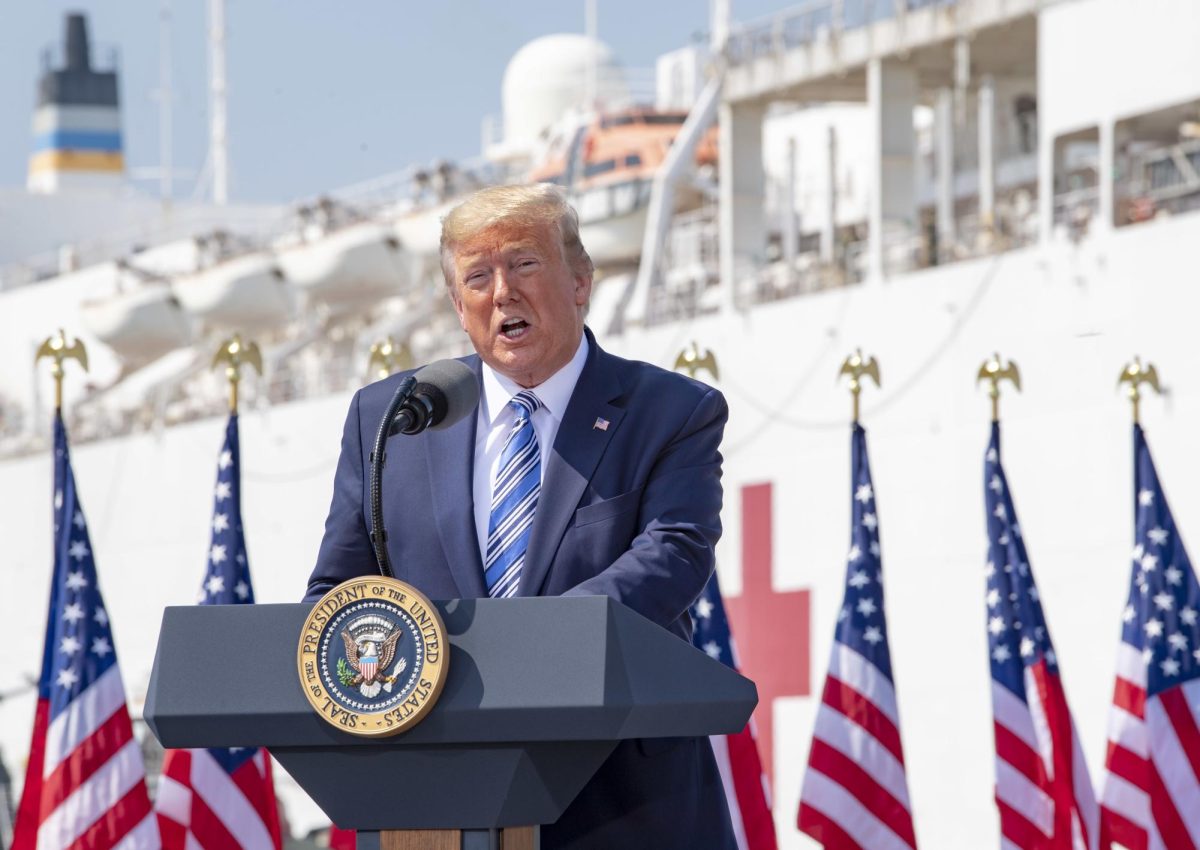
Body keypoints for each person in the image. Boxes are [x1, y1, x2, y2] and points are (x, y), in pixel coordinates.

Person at [305, 184, 736, 849]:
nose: (501, 291)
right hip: (437, 800)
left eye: (524, 265)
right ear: (458, 305)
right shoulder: (392, 417)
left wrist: (523, 648)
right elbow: (338, 591)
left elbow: (674, 555)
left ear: (580, 282)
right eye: (478, 277)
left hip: (626, 803)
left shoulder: (671, 412)